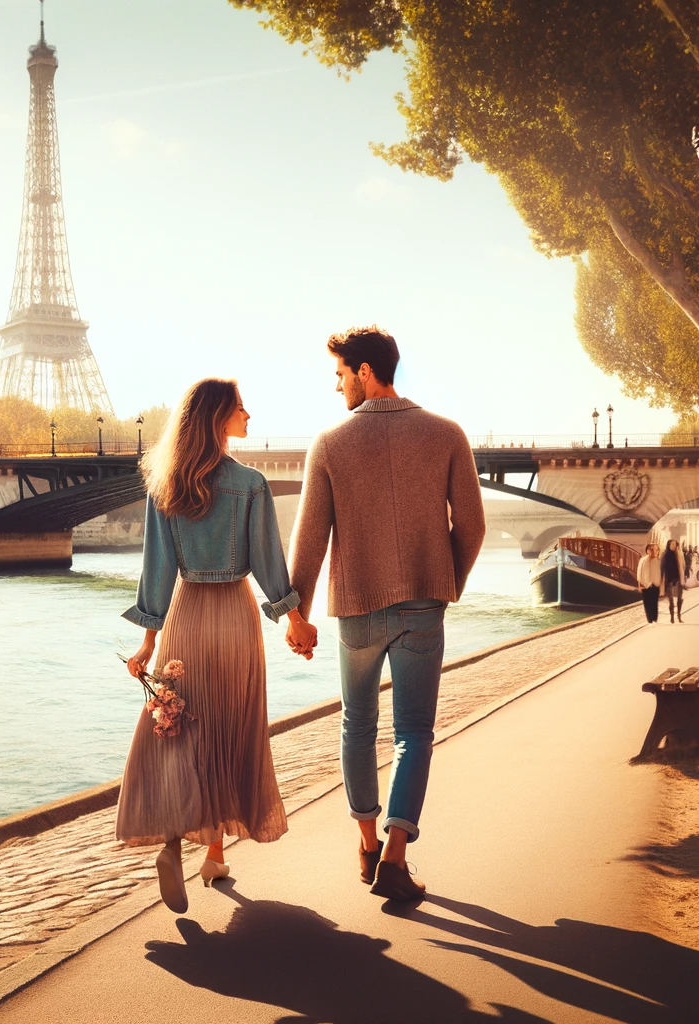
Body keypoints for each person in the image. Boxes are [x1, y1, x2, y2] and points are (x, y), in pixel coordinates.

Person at [288, 326, 486, 903]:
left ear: (366, 371)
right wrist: (443, 580)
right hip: (423, 605)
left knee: (358, 724)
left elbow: (310, 542)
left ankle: (367, 844)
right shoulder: (447, 434)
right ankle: (397, 858)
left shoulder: (329, 443)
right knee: (415, 732)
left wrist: (297, 614)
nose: (338, 386)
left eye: (341, 374)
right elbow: (471, 527)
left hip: (357, 609)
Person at [119, 378, 317, 914]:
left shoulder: (165, 485)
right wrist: (293, 618)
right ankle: (212, 853)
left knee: (181, 728)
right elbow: (268, 563)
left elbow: (155, 572)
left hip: (185, 617)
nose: (248, 414)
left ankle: (187, 849)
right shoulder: (250, 484)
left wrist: (147, 640)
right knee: (230, 728)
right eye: (239, 408)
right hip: (233, 616)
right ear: (217, 418)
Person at [662, 539, 686, 622]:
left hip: (678, 578)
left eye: (674, 544)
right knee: (671, 600)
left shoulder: (679, 554)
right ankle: (672, 617)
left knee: (680, 598)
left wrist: (683, 578)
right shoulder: (665, 555)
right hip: (669, 580)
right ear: (668, 545)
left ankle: (679, 616)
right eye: (671, 544)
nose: (673, 546)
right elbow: (663, 568)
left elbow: (683, 566)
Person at [637, 543, 661, 624]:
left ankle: (655, 619)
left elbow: (661, 574)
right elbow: (639, 573)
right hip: (645, 584)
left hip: (656, 584)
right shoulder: (642, 560)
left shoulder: (658, 561)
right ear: (647, 551)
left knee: (654, 603)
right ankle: (649, 620)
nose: (653, 551)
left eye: (656, 550)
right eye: (651, 549)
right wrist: (639, 585)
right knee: (647, 603)